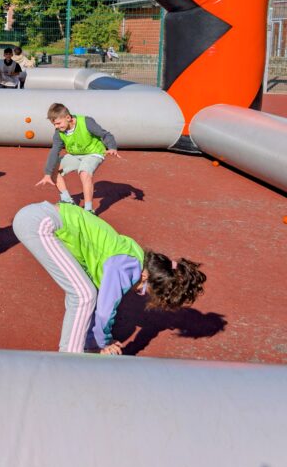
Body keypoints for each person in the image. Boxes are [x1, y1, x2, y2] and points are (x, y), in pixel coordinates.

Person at [11, 201, 206, 354]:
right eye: (145, 289)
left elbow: (100, 305)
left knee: (86, 291)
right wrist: (103, 343)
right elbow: (105, 312)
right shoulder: (127, 266)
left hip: (38, 217)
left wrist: (94, 343)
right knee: (83, 295)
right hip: (40, 223)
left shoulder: (133, 254)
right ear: (145, 274)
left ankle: (83, 347)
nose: (140, 291)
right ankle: (68, 362)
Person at [36, 103, 118, 214]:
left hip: (94, 153)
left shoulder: (86, 122)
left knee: (84, 173)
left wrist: (112, 147)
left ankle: (88, 210)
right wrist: (47, 174)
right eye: (54, 124)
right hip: (75, 155)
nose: (56, 127)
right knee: (53, 168)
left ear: (68, 118)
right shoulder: (59, 132)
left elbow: (106, 135)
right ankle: (67, 200)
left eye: (58, 123)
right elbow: (54, 151)